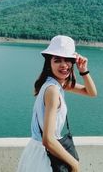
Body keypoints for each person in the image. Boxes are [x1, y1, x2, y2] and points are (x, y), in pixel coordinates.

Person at [17, 35, 97, 172]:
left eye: (68, 60)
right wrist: (74, 164)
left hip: (38, 153)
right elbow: (47, 139)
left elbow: (91, 92)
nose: (64, 65)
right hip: (45, 159)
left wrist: (84, 70)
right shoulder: (53, 91)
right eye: (57, 60)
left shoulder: (57, 84)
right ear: (49, 63)